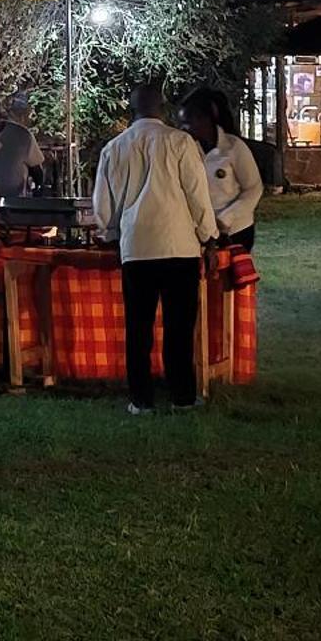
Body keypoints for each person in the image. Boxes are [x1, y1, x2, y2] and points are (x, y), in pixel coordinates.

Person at [91, 79, 217, 414]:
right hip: (180, 247)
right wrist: (208, 235)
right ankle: (182, 396)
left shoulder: (114, 148)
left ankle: (141, 399)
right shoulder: (180, 142)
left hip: (138, 248)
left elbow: (103, 206)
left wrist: (109, 233)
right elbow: (197, 194)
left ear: (132, 110)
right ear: (162, 108)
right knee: (179, 328)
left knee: (138, 328)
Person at [179, 87, 263, 251]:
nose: (183, 128)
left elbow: (253, 189)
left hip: (236, 230)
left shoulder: (234, 147)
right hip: (201, 232)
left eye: (187, 122)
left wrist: (225, 219)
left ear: (206, 118)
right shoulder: (185, 150)